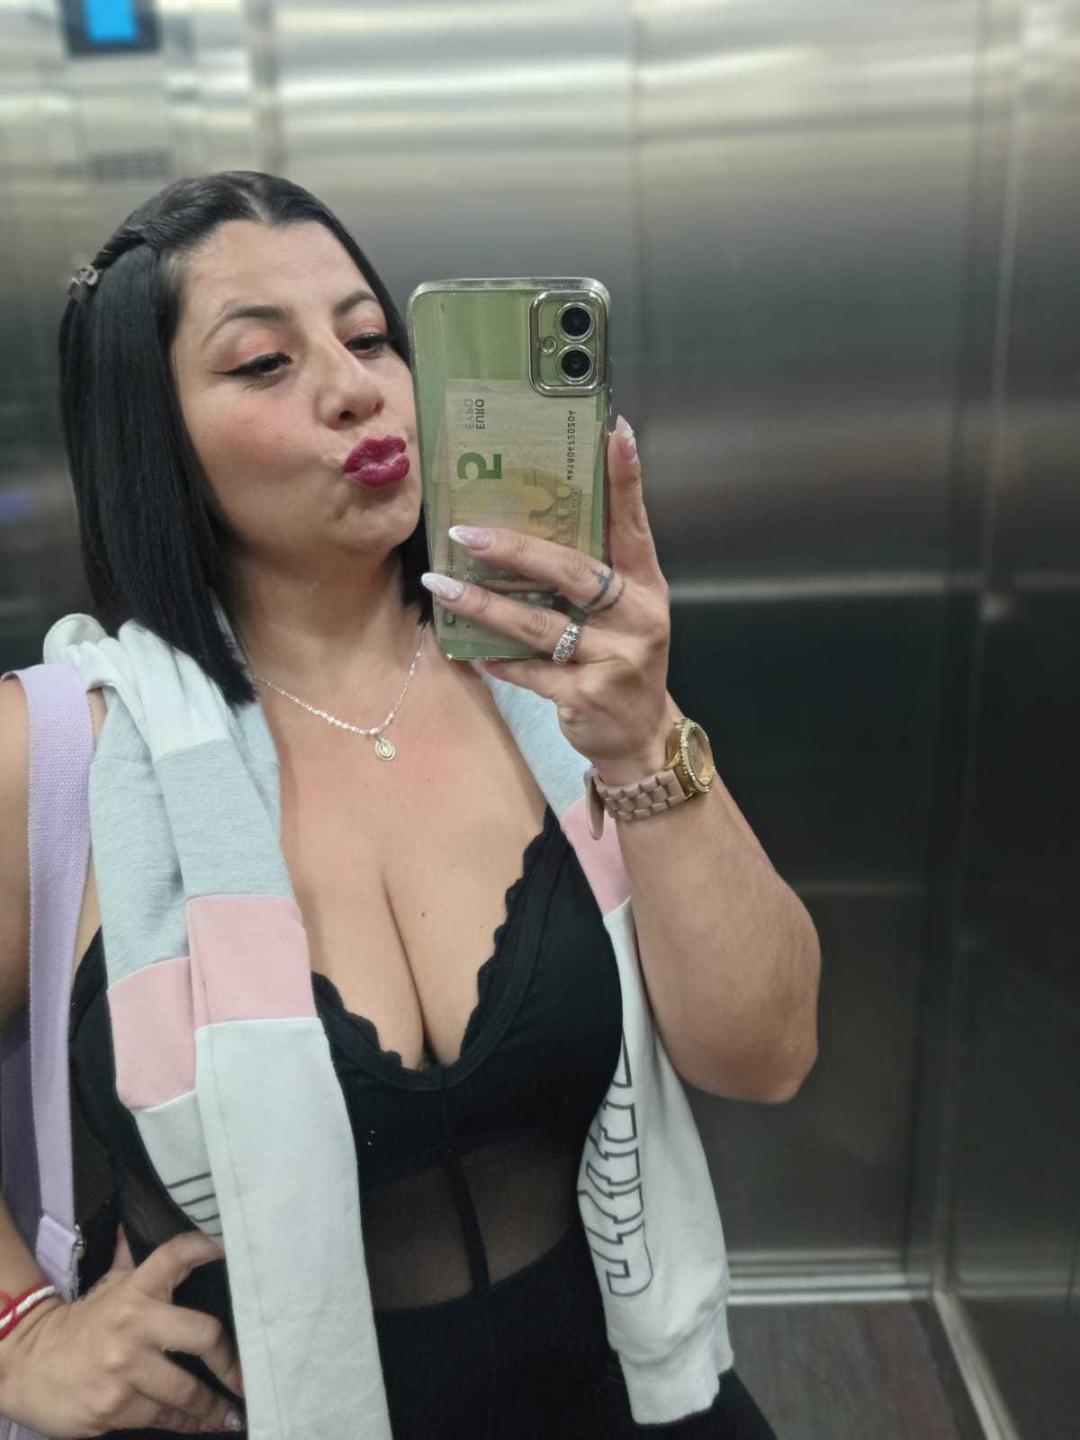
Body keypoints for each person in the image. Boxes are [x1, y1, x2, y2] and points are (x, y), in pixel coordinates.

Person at [0, 171, 818, 1437]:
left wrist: (645, 737)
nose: (355, 387)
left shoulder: (557, 686)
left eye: (371, 336)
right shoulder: (59, 749)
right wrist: (21, 1331)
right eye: (265, 362)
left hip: (622, 1392)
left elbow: (767, 1055)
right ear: (149, 434)